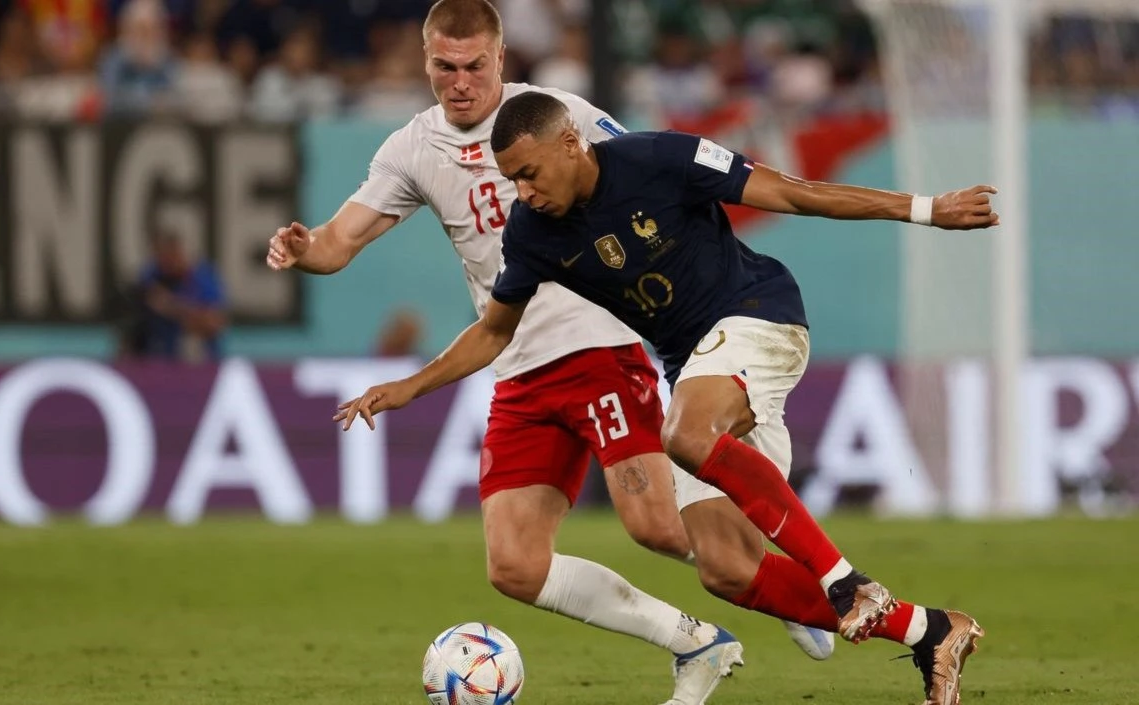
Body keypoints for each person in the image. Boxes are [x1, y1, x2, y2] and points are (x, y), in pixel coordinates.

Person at [337, 90, 996, 705]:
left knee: (683, 434)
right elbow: (493, 331)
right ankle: (931, 630)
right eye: (513, 179)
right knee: (727, 569)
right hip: (695, 367)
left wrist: (924, 208)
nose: (524, 192)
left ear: (570, 142)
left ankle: (846, 581)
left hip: (758, 316)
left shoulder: (659, 157)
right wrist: (408, 385)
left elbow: (791, 192)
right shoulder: (532, 232)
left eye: (530, 173)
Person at [266, 2, 831, 702]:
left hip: (596, 342)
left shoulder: (561, 115)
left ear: (501, 58)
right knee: (514, 564)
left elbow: (641, 179)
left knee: (657, 525)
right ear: (425, 61)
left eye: (474, 66)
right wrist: (303, 249)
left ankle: (793, 587)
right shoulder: (410, 149)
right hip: (516, 367)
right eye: (445, 67)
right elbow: (337, 242)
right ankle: (696, 642)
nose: (460, 82)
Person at [122, 229, 227, 361]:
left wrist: (172, 307)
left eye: (174, 255)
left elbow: (214, 324)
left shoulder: (202, 277)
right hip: (157, 353)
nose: (169, 262)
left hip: (195, 357)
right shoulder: (151, 275)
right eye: (164, 256)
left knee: (192, 343)